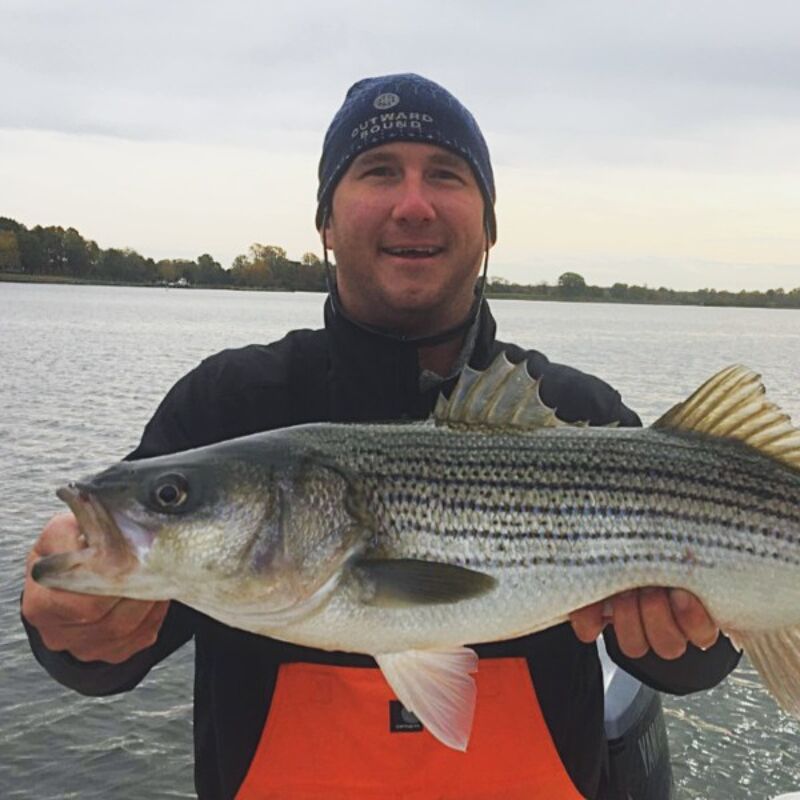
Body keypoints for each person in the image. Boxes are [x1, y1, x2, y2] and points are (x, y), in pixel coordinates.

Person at [21, 73, 739, 799]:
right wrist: (73, 633)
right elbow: (117, 656)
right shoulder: (229, 405)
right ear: (326, 223)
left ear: (489, 225)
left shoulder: (574, 411)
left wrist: (686, 642)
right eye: (379, 172)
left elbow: (696, 660)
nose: (414, 204)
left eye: (447, 176)